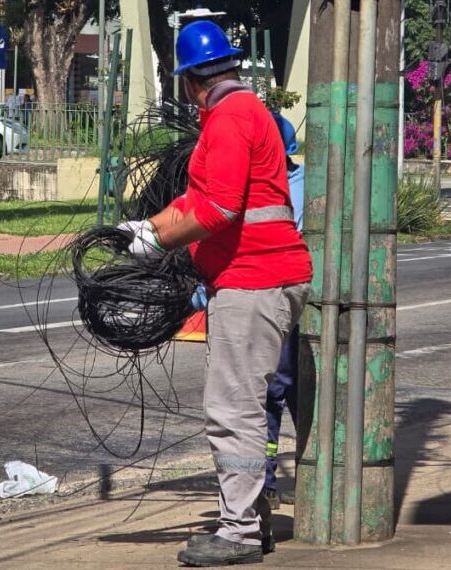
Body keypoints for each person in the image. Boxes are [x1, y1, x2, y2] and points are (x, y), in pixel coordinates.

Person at [119, 20, 312, 567]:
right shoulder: (243, 112)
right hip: (261, 276)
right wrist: (146, 229)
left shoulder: (229, 119)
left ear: (188, 80)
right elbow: (200, 200)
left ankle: (240, 532)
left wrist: (153, 241)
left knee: (233, 409)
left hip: (255, 279)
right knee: (243, 404)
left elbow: (215, 210)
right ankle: (249, 521)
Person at [263, 113, 305, 511]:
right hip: (276, 302)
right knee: (280, 391)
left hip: (287, 301)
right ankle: (267, 479)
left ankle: (267, 479)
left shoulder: (300, 187)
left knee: (277, 391)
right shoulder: (267, 185)